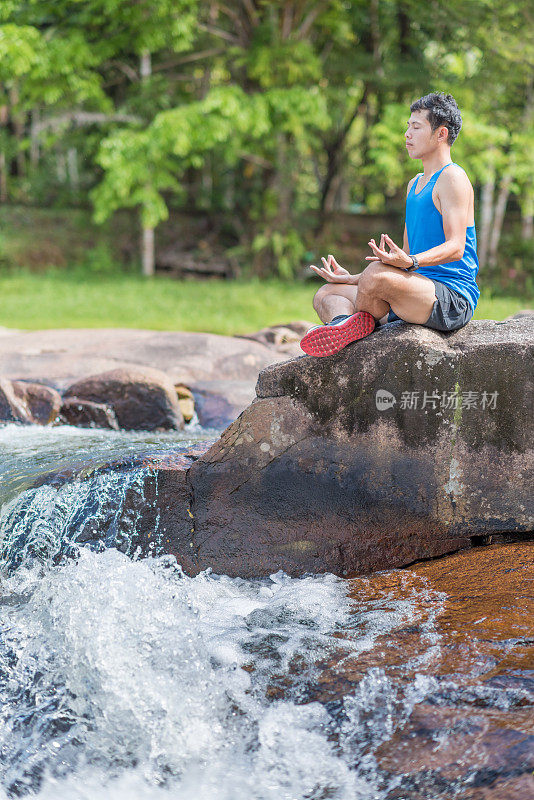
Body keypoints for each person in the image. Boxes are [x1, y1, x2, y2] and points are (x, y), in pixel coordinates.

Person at [300, 92, 480, 357]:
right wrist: (352, 278)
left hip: (450, 298)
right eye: (408, 126)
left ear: (441, 134)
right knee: (327, 293)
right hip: (412, 290)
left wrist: (409, 263)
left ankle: (360, 323)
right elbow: (403, 263)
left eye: (416, 127)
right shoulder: (414, 184)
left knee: (375, 274)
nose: (407, 133)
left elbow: (455, 247)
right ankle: (343, 326)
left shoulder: (453, 177)